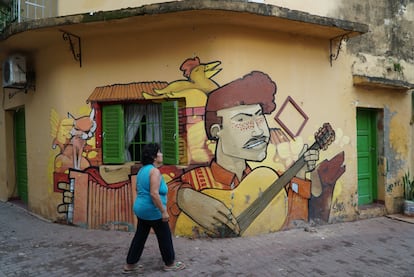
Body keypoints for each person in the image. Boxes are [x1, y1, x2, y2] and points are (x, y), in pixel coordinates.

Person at [167, 71, 320, 237]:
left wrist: (300, 174)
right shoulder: (192, 181)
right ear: (217, 131)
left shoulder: (268, 180)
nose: (258, 130)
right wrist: (183, 197)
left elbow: (294, 224)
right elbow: (157, 195)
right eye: (242, 120)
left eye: (259, 117)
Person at [123, 143, 185, 273]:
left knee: (140, 236)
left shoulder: (142, 170)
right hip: (153, 211)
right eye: (159, 152)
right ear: (153, 156)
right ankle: (170, 263)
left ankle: (130, 265)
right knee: (165, 236)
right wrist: (163, 211)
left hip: (141, 209)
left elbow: (138, 188)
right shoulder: (154, 172)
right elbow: (154, 193)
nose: (161, 154)